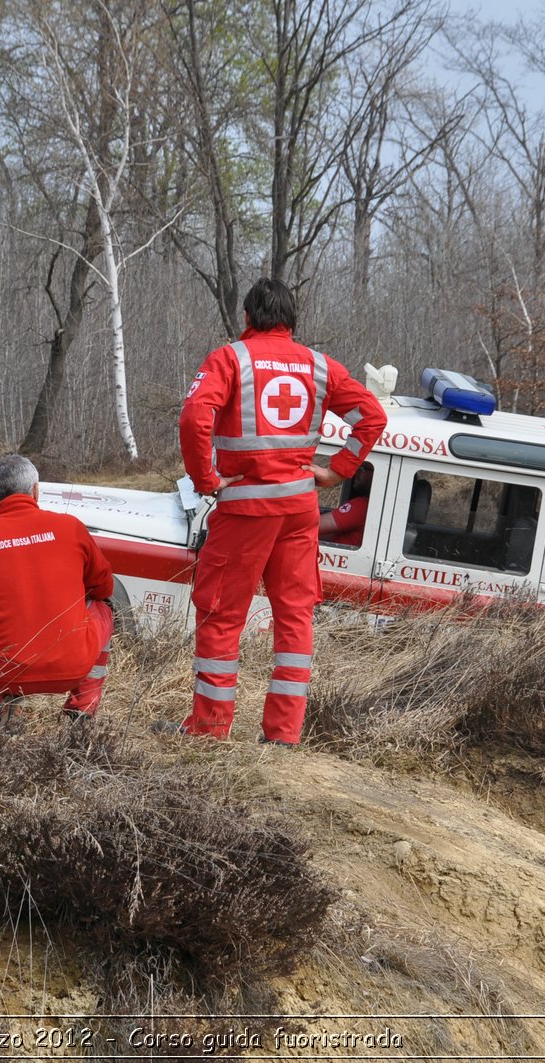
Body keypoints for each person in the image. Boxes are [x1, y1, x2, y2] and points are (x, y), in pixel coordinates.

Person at [163, 278, 387, 745]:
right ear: (292, 319)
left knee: (222, 614)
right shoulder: (320, 366)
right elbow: (371, 416)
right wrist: (337, 469)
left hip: (245, 511)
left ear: (246, 317)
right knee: (294, 616)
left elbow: (192, 418)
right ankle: (284, 734)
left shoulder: (230, 359)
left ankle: (208, 729)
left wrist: (206, 480)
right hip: (299, 510)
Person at [0, 455, 115, 721]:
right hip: (74, 667)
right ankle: (82, 709)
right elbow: (104, 588)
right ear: (36, 491)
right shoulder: (71, 527)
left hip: (1, 672)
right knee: (103, 611)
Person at [320, 461, 374, 548]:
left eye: (362, 469)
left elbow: (314, 525)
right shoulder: (370, 507)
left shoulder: (362, 506)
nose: (356, 473)